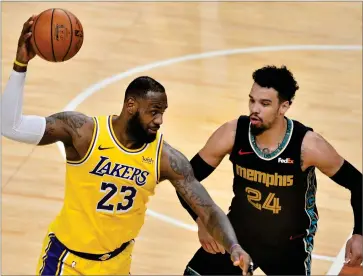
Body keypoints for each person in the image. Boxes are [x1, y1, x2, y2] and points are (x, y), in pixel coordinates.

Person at [2, 16, 254, 276]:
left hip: (117, 265)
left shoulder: (165, 158)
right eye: (154, 112)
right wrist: (20, 64)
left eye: (163, 113)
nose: (160, 120)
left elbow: (209, 210)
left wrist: (233, 246)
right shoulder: (83, 132)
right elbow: (11, 126)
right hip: (67, 262)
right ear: (130, 106)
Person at [176, 65, 363, 275]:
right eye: (252, 100)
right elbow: (184, 178)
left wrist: (360, 233)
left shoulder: (308, 146)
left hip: (288, 244)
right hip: (239, 232)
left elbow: (358, 183)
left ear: (284, 107)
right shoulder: (233, 133)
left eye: (265, 104)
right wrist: (202, 220)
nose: (255, 109)